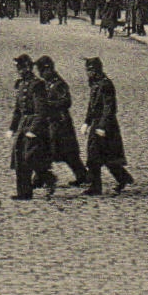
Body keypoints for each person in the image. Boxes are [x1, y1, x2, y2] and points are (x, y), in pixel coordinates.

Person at [81, 57, 135, 196]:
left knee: (97, 155)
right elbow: (91, 106)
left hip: (106, 126)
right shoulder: (95, 84)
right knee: (105, 156)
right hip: (97, 124)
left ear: (96, 70)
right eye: (87, 70)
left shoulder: (105, 85)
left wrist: (102, 126)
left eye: (90, 70)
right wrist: (87, 122)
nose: (88, 73)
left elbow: (109, 107)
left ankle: (96, 186)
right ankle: (123, 179)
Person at [36, 56, 89, 187]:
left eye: (42, 71)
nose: (40, 74)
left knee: (68, 153)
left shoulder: (59, 84)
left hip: (61, 123)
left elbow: (66, 101)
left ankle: (83, 175)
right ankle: (39, 178)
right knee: (46, 150)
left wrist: (48, 104)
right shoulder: (47, 83)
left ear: (49, 69)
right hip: (51, 122)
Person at [8, 55, 54, 199]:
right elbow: (18, 109)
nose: (20, 71)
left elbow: (41, 110)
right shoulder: (21, 84)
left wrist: (33, 130)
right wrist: (12, 128)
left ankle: (47, 177)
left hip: (35, 126)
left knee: (30, 158)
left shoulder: (37, 85)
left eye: (22, 68)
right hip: (23, 124)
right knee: (19, 158)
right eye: (18, 69)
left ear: (28, 67)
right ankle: (24, 192)